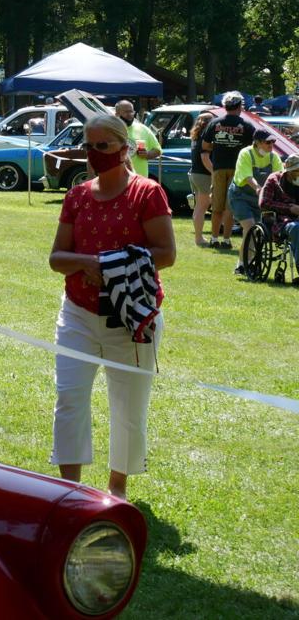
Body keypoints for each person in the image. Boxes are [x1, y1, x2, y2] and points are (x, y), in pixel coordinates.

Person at [49, 113, 175, 499]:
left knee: (128, 408)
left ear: (125, 149)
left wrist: (111, 265)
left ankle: (116, 489)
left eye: (102, 146)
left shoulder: (147, 192)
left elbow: (166, 254)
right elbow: (57, 257)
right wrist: (85, 264)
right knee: (69, 398)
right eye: (88, 146)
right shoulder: (77, 195)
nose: (93, 153)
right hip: (78, 313)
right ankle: (70, 488)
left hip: (131, 316)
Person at [201, 93, 254, 249]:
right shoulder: (247, 125)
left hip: (218, 169)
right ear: (239, 107)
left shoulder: (214, 123)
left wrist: (216, 149)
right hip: (238, 170)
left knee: (216, 206)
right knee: (230, 206)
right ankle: (226, 240)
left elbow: (204, 146)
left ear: (225, 106)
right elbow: (252, 148)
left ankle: (214, 238)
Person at [229, 129, 283, 275]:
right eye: (268, 142)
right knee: (250, 227)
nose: (271, 145)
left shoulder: (274, 157)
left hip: (260, 199)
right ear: (257, 143)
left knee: (258, 233)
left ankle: (247, 264)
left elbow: (280, 178)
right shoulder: (245, 153)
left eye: (273, 142)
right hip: (241, 196)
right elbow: (247, 177)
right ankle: (243, 265)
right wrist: (259, 189)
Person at [259, 154, 299, 276]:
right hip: (280, 220)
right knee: (296, 228)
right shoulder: (274, 180)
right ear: (289, 171)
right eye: (297, 170)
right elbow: (264, 203)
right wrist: (289, 208)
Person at [114, 100, 161, 177]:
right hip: (117, 179)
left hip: (140, 181)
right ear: (117, 114)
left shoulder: (143, 129)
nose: (129, 114)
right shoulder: (110, 130)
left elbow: (157, 150)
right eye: (126, 112)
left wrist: (147, 154)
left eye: (131, 112)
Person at [188, 113, 214, 248]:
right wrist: (214, 173)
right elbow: (205, 159)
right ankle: (199, 239)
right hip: (204, 175)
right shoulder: (205, 137)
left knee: (199, 208)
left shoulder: (195, 136)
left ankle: (199, 237)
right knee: (201, 208)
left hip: (195, 174)